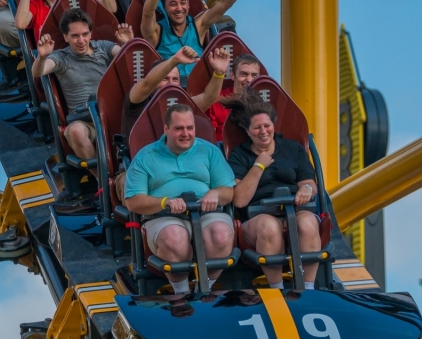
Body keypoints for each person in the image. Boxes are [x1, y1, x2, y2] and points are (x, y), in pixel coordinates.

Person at [125, 103, 236, 295]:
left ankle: (205, 290)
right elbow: (133, 201)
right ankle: (182, 293)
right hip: (163, 216)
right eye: (179, 128)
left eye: (190, 128)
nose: (186, 133)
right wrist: (163, 202)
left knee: (221, 233)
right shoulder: (145, 156)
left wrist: (215, 193)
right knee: (174, 238)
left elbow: (228, 191)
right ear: (166, 129)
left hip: (206, 213)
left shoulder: (209, 151)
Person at [224, 90, 321, 290]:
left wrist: (307, 190)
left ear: (273, 126)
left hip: (294, 209)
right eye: (257, 128)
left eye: (267, 126)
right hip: (257, 215)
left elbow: (309, 183)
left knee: (308, 224)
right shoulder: (239, 156)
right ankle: (277, 288)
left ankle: (309, 287)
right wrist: (258, 166)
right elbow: (239, 200)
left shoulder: (292, 149)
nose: (263, 131)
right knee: (269, 226)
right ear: (248, 131)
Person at [112, 46, 230, 203]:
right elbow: (147, 83)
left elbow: (209, 97)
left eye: (175, 80)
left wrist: (219, 73)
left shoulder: (182, 107)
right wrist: (174, 60)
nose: (171, 84)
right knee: (127, 182)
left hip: (178, 167)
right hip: (140, 169)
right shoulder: (137, 102)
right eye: (165, 79)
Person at [31, 9, 133, 161]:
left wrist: (127, 44)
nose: (81, 40)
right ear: (66, 37)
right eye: (75, 36)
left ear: (91, 34)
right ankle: (102, 181)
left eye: (85, 34)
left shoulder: (103, 47)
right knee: (75, 132)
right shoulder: (61, 57)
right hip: (84, 120)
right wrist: (42, 57)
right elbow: (38, 71)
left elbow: (130, 61)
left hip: (113, 115)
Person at [141, 0, 254, 77]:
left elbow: (224, 4)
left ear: (188, 4)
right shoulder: (156, 32)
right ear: (164, 7)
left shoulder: (199, 25)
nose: (179, 8)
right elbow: (147, 14)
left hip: (195, 89)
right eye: (173, 4)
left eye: (183, 3)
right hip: (169, 87)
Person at [206, 53, 261, 141]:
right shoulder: (216, 99)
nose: (249, 80)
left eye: (254, 75)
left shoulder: (263, 103)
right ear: (232, 75)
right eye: (244, 74)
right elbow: (210, 136)